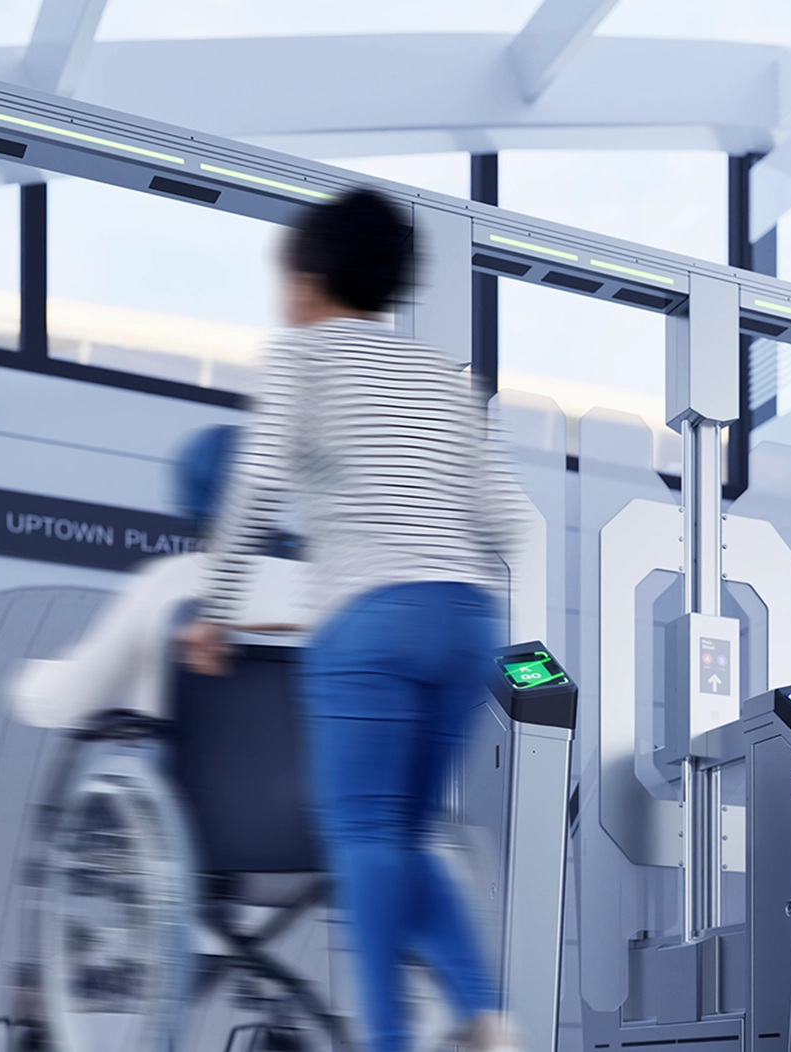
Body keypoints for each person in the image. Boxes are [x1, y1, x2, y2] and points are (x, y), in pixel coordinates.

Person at [178, 188, 530, 1052]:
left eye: (286, 275)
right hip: (467, 621)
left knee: (365, 837)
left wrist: (214, 615)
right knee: (407, 835)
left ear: (311, 279)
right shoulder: (446, 379)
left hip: (368, 620)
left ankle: (388, 1042)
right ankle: (483, 1014)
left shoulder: (302, 359)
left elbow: (251, 489)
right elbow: (514, 521)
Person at [7, 425, 307, 730]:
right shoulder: (320, 593)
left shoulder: (173, 581)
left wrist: (27, 683)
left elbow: (63, 702)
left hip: (183, 777)